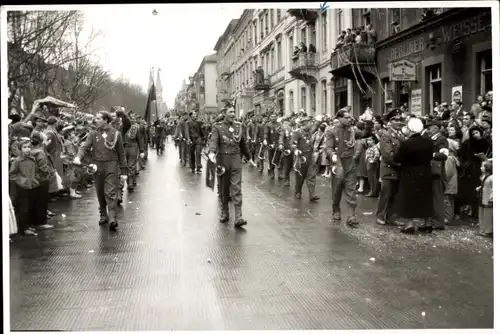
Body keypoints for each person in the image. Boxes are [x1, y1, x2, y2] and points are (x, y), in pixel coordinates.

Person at [73, 111, 128, 231]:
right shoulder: (93, 133)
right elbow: (84, 147)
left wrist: (124, 171)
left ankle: (113, 217)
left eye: (98, 118)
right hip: (97, 165)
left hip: (111, 165)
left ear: (106, 120)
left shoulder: (116, 134)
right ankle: (103, 214)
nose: (95, 120)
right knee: (100, 191)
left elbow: (121, 153)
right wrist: (78, 156)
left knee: (110, 191)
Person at [207, 107, 251, 228]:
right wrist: (211, 152)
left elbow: (243, 143)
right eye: (230, 112)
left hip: (236, 160)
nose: (233, 114)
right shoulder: (217, 127)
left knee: (236, 188)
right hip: (223, 160)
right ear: (224, 114)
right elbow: (214, 141)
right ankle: (225, 212)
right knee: (223, 188)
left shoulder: (239, 126)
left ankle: (238, 217)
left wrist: (249, 157)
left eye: (233, 112)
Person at [393, 117, 434, 233]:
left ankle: (410, 224)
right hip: (425, 172)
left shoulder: (407, 143)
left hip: (410, 173)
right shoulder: (428, 142)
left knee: (409, 198)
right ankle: (427, 223)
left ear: (410, 129)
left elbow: (397, 158)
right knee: (425, 198)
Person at [325, 109, 359, 226]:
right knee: (337, 189)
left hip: (350, 162)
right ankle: (336, 209)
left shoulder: (352, 130)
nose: (349, 120)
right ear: (339, 118)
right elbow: (328, 147)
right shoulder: (331, 131)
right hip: (338, 162)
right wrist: (332, 155)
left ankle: (351, 215)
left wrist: (368, 124)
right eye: (347, 118)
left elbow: (364, 134)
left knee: (351, 189)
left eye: (350, 118)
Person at [291, 116, 320, 202]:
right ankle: (298, 191)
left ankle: (312, 194)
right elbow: (293, 144)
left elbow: (315, 127)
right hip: (301, 157)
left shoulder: (309, 132)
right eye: (309, 123)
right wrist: (296, 150)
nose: (311, 124)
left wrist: (319, 121)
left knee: (311, 176)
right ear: (305, 124)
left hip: (309, 157)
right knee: (300, 176)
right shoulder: (297, 132)